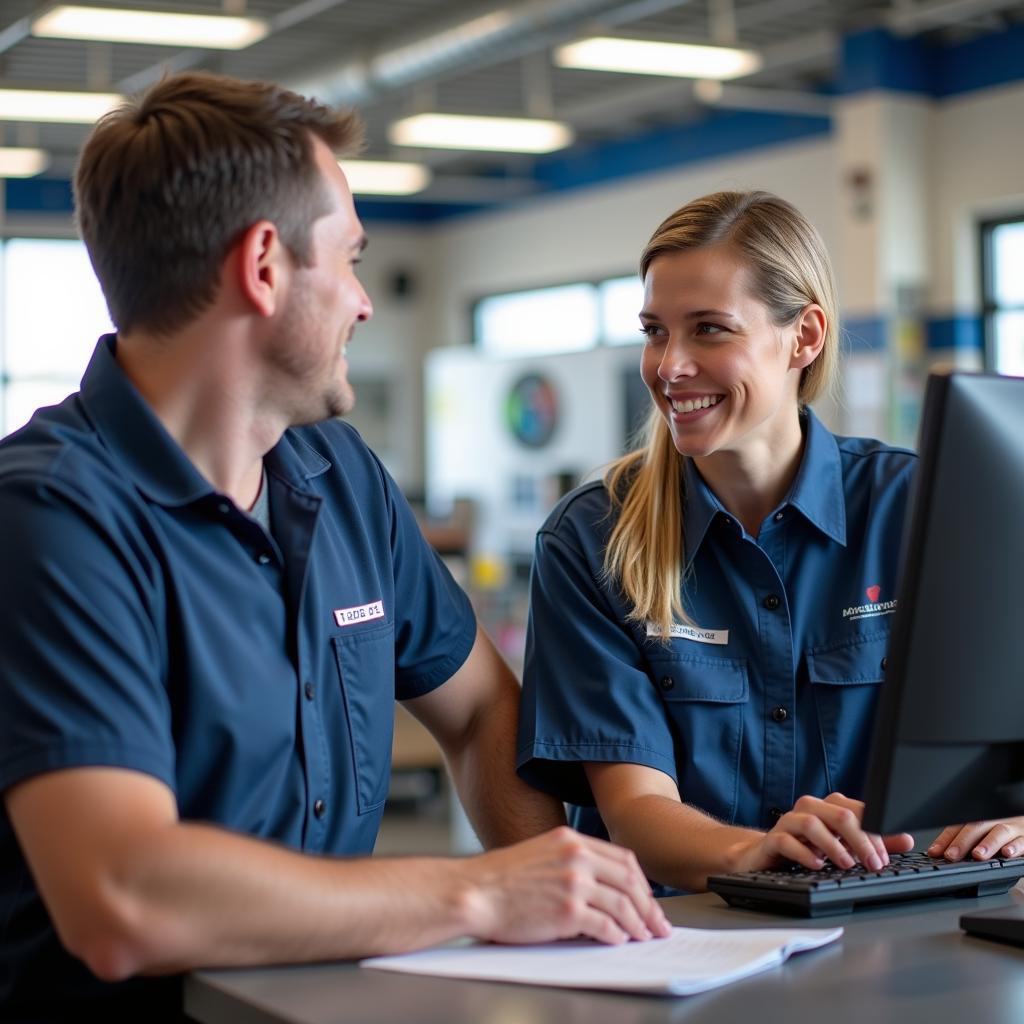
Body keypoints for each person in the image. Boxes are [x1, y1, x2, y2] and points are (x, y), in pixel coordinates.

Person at [0, 72, 670, 1021]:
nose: (363, 301)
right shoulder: (52, 518)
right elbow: (123, 897)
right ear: (264, 266)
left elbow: (481, 710)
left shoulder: (338, 476)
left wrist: (564, 907)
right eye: (350, 258)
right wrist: (477, 894)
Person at [517, 190, 1024, 895]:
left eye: (709, 330)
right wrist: (761, 851)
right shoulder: (593, 539)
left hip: (897, 937)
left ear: (805, 336)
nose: (669, 366)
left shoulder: (921, 511)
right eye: (655, 331)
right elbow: (636, 811)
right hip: (685, 943)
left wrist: (1014, 814)